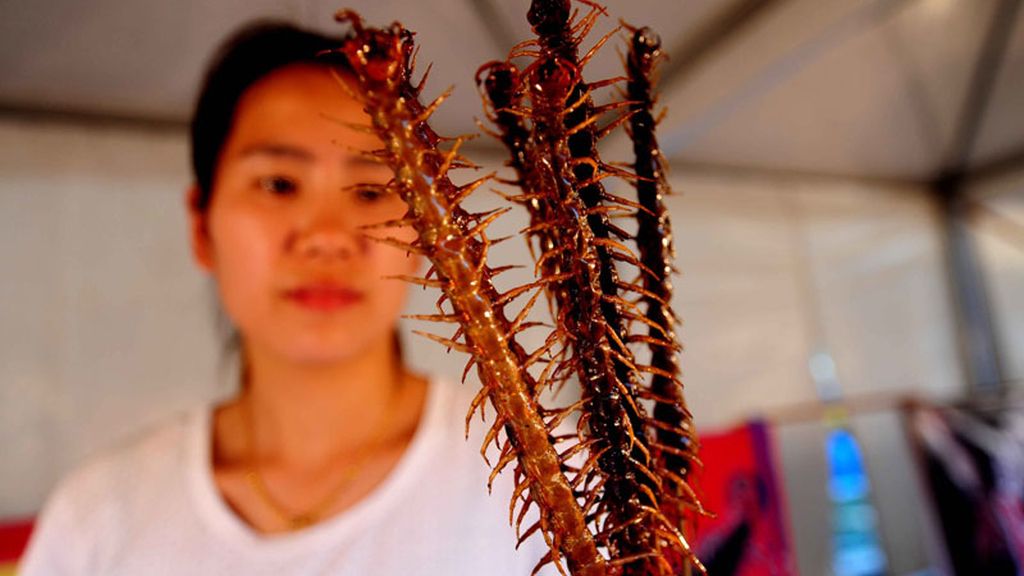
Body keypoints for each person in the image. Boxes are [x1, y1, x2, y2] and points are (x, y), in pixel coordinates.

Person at [20, 21, 549, 575]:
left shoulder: (543, 477)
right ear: (202, 227)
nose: (325, 236)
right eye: (278, 184)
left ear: (421, 234)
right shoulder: (98, 520)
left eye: (371, 191)